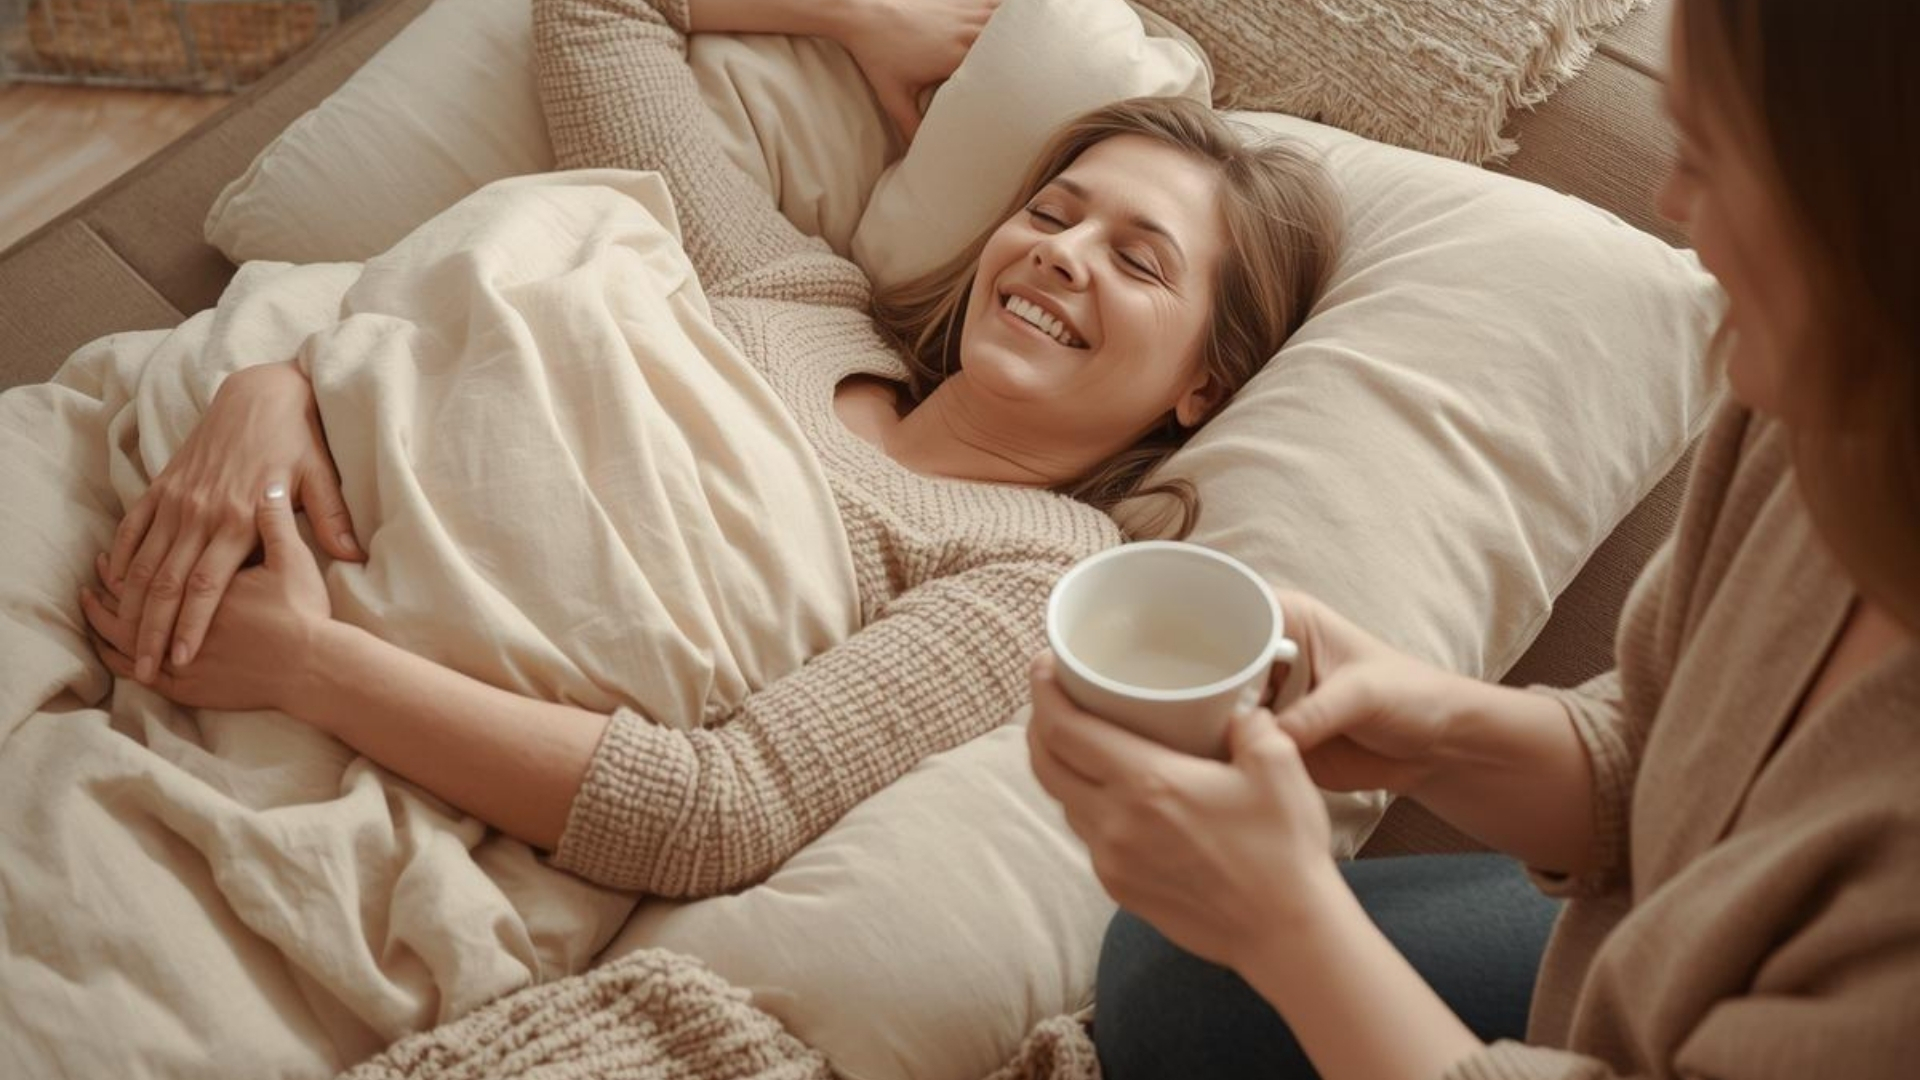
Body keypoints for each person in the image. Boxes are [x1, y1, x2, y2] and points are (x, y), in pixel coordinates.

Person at [76, 0, 1341, 898]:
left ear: (1203, 384)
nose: (1062, 253)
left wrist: (314, 668)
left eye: (1136, 260)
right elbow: (599, 13)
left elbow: (718, 812)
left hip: (311, 728)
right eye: (1053, 213)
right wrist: (288, 382)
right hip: (156, 502)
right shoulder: (793, 289)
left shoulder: (1039, 573)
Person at [1027, 0, 1920, 1077]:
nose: (1672, 203)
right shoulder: (1823, 383)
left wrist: (1289, 925)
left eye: (1717, 160)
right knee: (1169, 973)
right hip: (1670, 932)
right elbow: (1672, 747)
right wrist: (1430, 727)